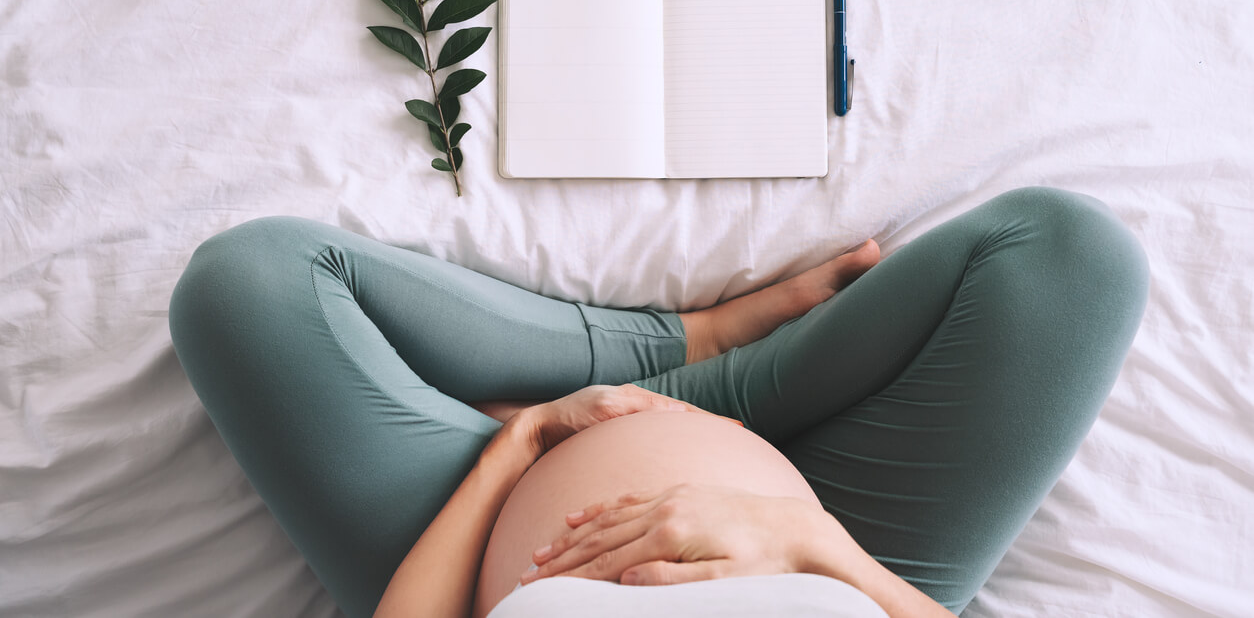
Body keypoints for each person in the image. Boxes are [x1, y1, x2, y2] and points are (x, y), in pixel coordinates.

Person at [168, 187, 1148, 618]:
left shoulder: (513, 461)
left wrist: (520, 448)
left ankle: (680, 351)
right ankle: (724, 368)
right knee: (1073, 256)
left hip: (484, 516)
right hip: (844, 535)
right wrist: (809, 543)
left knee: (248, 285)